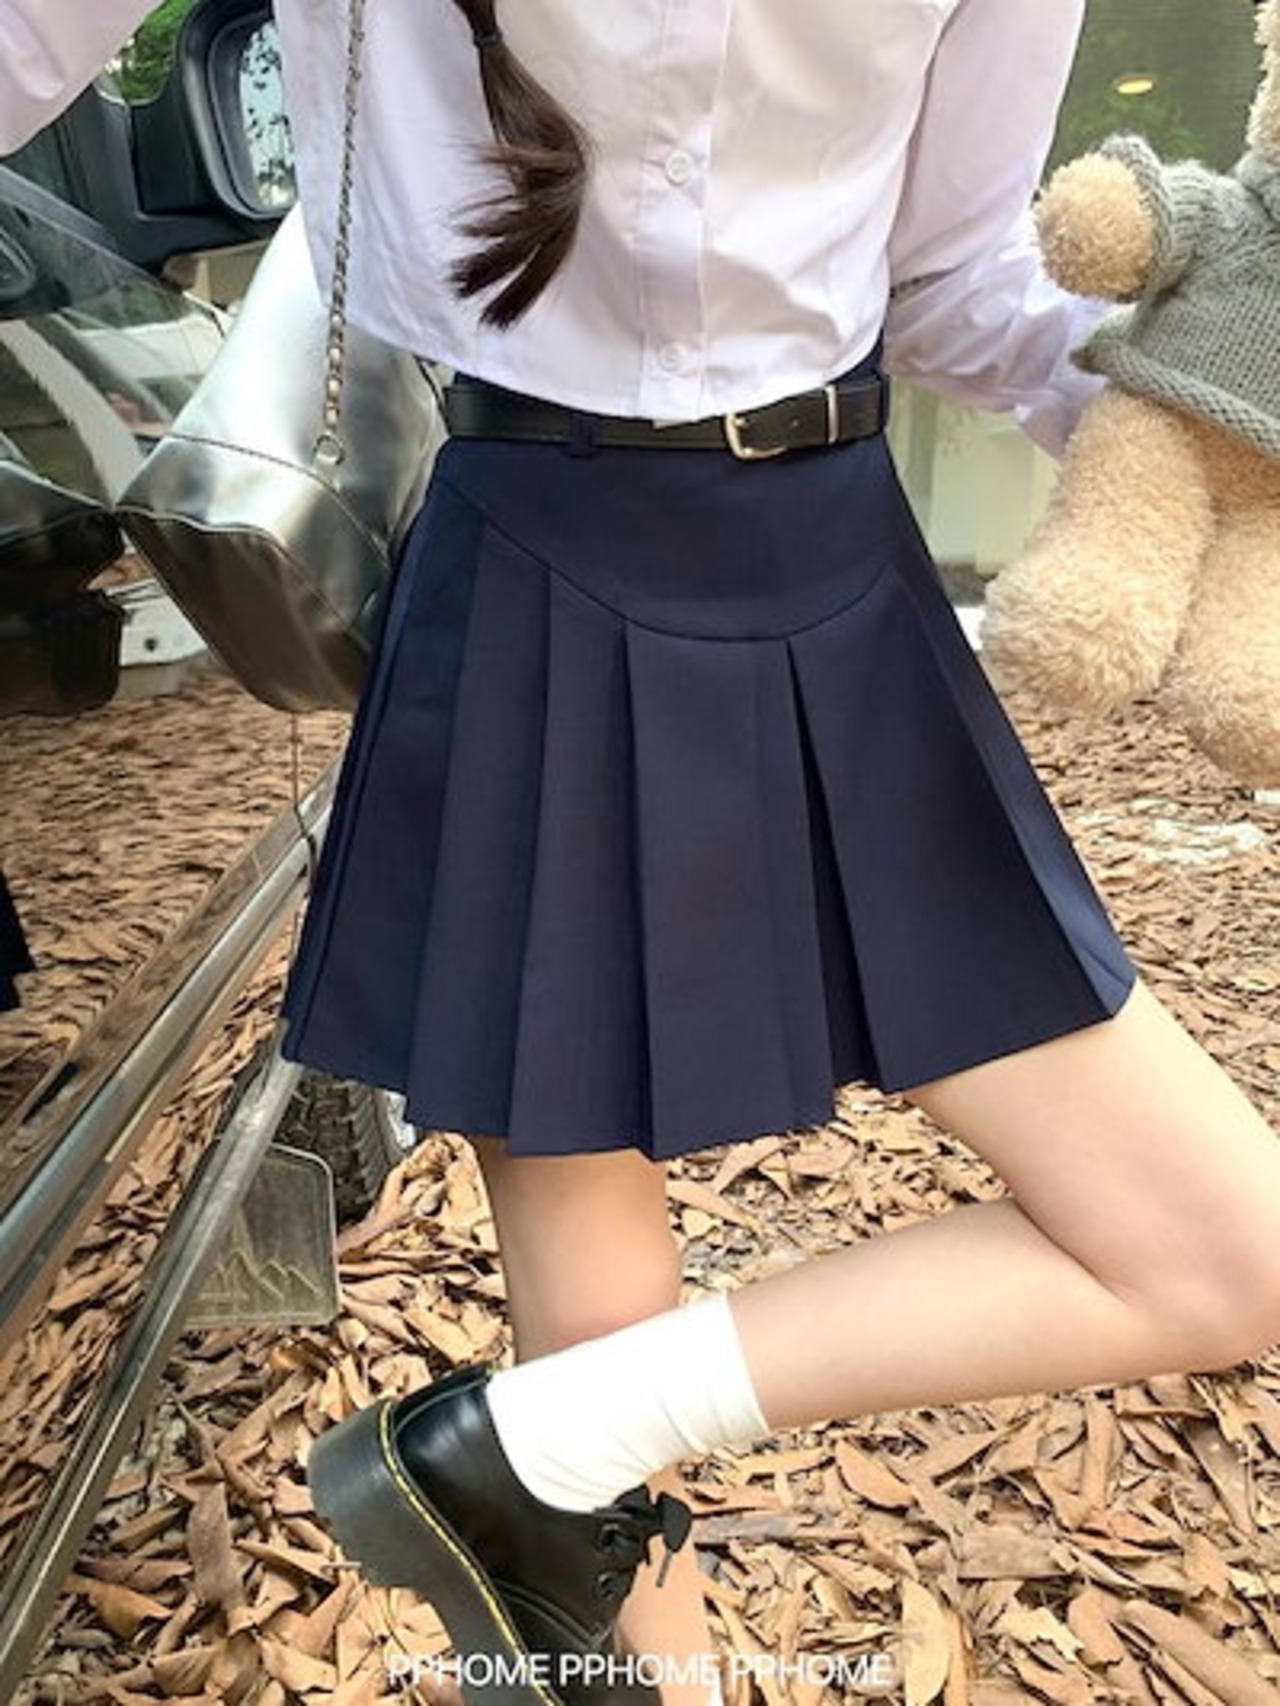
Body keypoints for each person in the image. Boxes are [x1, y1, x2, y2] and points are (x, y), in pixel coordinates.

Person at [6, 3, 1280, 1703]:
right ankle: (572, 1556)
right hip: (532, 545)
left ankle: (508, 1458)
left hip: (835, 558)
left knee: (1221, 1248)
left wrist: (1222, 417)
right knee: (591, 1318)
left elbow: (949, 278)